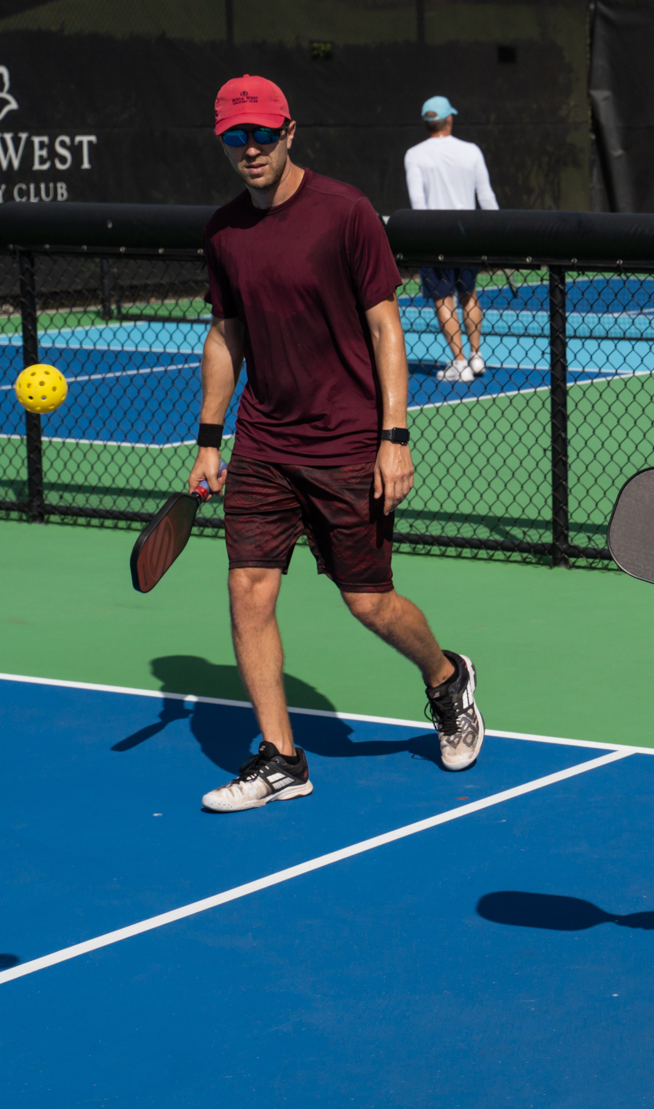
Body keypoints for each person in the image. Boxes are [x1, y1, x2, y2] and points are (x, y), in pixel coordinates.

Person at [190, 74, 485, 812]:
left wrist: (395, 436)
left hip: (348, 442)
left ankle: (447, 677)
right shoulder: (223, 231)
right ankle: (281, 759)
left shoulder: (345, 212)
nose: (251, 148)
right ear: (222, 142)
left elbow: (386, 327)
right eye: (236, 136)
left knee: (369, 603)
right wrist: (208, 440)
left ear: (289, 132)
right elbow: (226, 336)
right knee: (247, 589)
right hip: (263, 442)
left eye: (263, 133)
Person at [403, 94, 498, 383]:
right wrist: (501, 235)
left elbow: (418, 204)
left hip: (435, 239)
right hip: (466, 238)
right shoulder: (471, 151)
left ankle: (460, 363)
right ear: (449, 119)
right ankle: (475, 356)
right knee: (469, 295)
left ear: (425, 123)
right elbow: (486, 198)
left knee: (443, 299)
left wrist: (423, 240)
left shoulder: (414, 155)